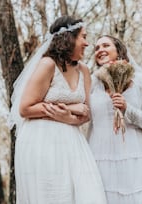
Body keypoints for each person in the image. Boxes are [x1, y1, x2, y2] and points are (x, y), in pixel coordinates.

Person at [10, 16, 106, 204]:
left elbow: (85, 112)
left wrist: (70, 119)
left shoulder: (84, 70)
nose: (87, 43)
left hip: (73, 139)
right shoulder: (48, 65)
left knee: (87, 191)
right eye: (83, 37)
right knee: (53, 194)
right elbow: (25, 108)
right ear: (69, 38)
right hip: (42, 140)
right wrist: (69, 108)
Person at [88, 35, 142, 204]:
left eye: (105, 45)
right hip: (100, 156)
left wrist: (127, 109)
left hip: (133, 155)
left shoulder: (140, 81)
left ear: (119, 50)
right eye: (97, 48)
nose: (100, 50)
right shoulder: (92, 83)